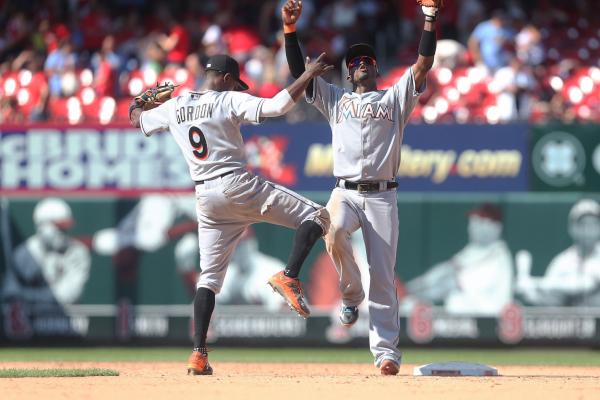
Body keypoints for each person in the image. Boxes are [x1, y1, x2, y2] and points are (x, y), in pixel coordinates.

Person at [129, 53, 332, 375]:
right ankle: (289, 275)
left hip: (205, 196)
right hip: (235, 184)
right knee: (320, 216)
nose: (237, 86)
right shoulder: (227, 99)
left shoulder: (174, 105)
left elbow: (136, 118)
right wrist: (306, 75)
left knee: (208, 279)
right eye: (235, 81)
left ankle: (198, 354)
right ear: (225, 78)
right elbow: (278, 106)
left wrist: (141, 100)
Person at [281, 0, 438, 375]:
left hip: (383, 195)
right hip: (345, 192)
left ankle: (386, 353)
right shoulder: (336, 99)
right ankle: (351, 295)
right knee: (330, 229)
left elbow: (422, 64)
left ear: (376, 68)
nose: (361, 63)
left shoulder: (395, 98)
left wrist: (430, 19)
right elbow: (297, 74)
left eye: (366, 60)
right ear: (349, 74)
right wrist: (290, 31)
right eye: (354, 62)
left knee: (383, 277)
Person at [404, 203, 514, 316]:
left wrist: (411, 293)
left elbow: (455, 283)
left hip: (490, 319)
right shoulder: (474, 249)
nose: (474, 226)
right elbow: (444, 270)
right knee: (409, 305)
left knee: (448, 293)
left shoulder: (499, 255)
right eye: (473, 222)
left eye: (480, 222)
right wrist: (408, 289)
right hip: (465, 318)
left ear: (496, 227)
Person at [2, 198, 91, 305]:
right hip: (33, 318)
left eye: (65, 228)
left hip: (67, 318)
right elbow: (9, 292)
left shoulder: (77, 252)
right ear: (41, 227)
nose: (63, 233)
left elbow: (67, 296)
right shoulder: (24, 253)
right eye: (59, 227)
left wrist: (25, 295)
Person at [516, 199, 600, 307]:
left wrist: (534, 282)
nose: (588, 230)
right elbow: (552, 302)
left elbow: (585, 284)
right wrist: (530, 294)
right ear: (572, 228)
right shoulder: (562, 262)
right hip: (572, 322)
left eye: (593, 224)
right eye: (582, 225)